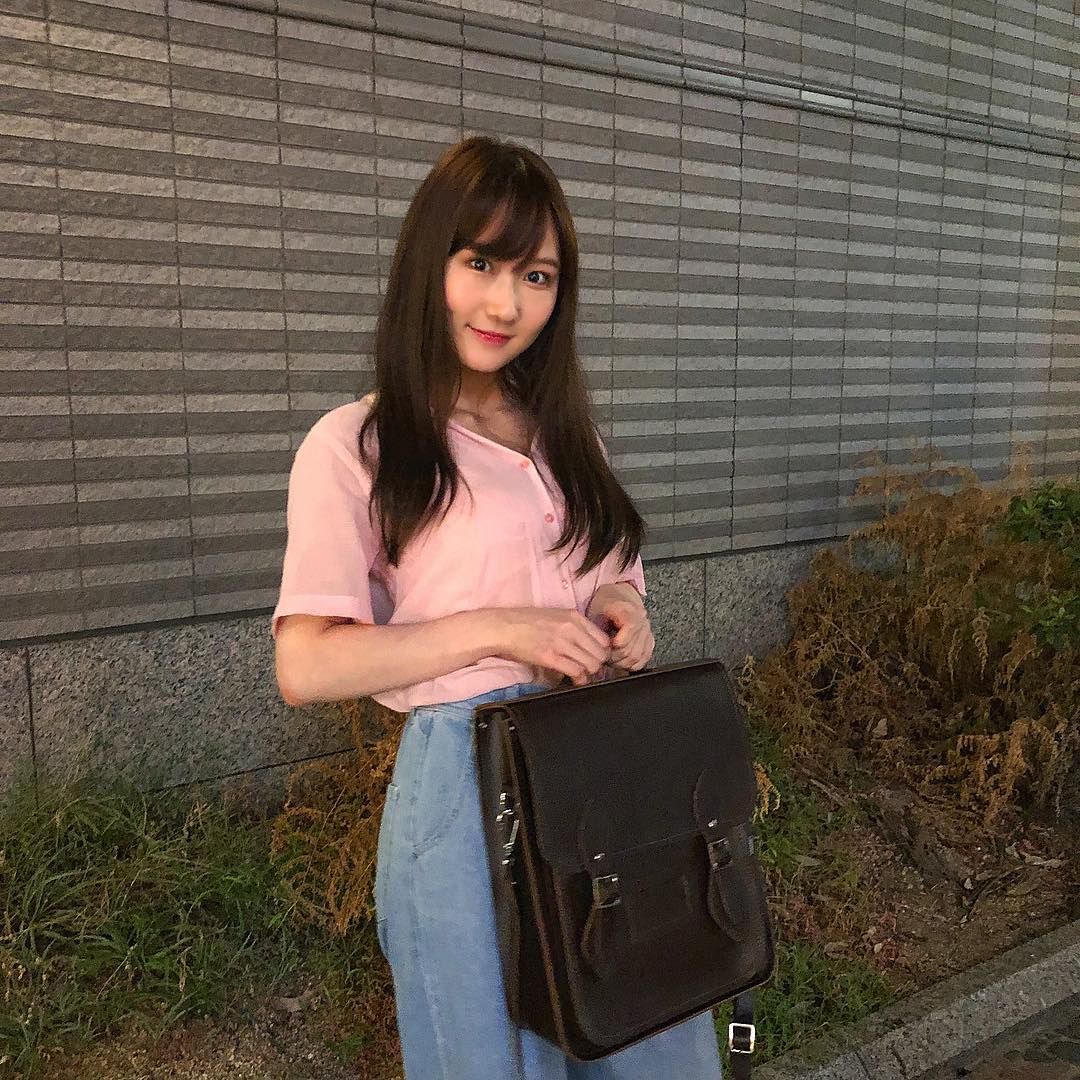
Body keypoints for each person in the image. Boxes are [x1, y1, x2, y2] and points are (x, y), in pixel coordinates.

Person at [270, 136, 723, 1079]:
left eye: (536, 276)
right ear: (428, 263)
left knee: (649, 1026)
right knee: (489, 1053)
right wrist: (498, 629)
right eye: (480, 263)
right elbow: (305, 663)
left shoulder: (564, 431)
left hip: (602, 761)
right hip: (464, 786)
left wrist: (620, 608)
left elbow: (614, 570)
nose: (505, 304)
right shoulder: (357, 445)